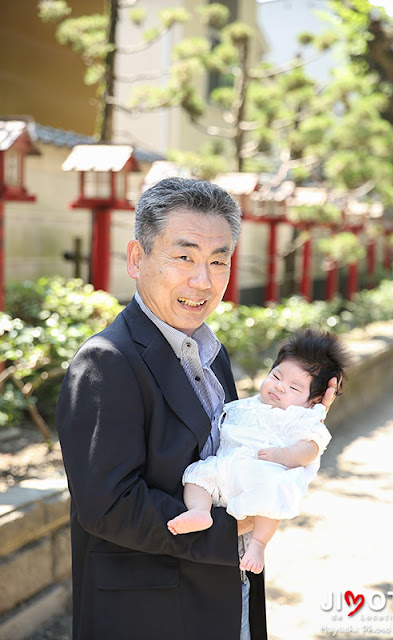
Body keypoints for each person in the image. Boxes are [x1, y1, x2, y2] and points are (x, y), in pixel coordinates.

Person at [56, 177, 337, 640]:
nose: (202, 280)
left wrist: (299, 420)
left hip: (228, 593)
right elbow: (108, 507)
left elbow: (233, 445)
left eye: (218, 260)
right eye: (183, 256)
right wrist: (234, 527)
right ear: (136, 258)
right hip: (151, 614)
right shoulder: (106, 362)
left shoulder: (210, 352)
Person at [168, 329, 349, 575]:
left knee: (270, 494)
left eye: (294, 388)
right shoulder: (251, 404)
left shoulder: (301, 417)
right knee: (196, 475)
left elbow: (310, 447)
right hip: (224, 467)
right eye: (276, 376)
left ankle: (258, 544)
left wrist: (284, 456)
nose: (280, 387)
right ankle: (199, 511)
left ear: (312, 401)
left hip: (262, 470)